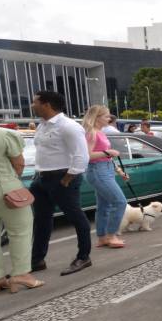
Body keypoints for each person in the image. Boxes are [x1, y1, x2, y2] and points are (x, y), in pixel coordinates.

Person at [30, 91, 92, 276]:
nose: (32, 105)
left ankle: (83, 257)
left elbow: (82, 156)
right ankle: (37, 260)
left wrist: (67, 179)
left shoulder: (68, 126)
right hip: (41, 179)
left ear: (47, 104)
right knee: (41, 220)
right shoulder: (42, 125)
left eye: (35, 102)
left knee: (76, 217)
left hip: (62, 178)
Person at [0, 126, 41, 293]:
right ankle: (21, 274)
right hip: (4, 186)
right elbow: (19, 163)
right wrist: (12, 179)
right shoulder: (3, 134)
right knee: (20, 230)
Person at [82, 105, 130, 249]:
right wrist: (108, 152)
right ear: (97, 117)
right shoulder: (92, 133)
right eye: (106, 116)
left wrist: (119, 171)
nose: (109, 119)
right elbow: (87, 156)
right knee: (120, 202)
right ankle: (111, 235)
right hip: (98, 170)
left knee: (104, 206)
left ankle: (103, 237)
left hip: (104, 169)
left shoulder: (99, 132)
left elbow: (105, 156)